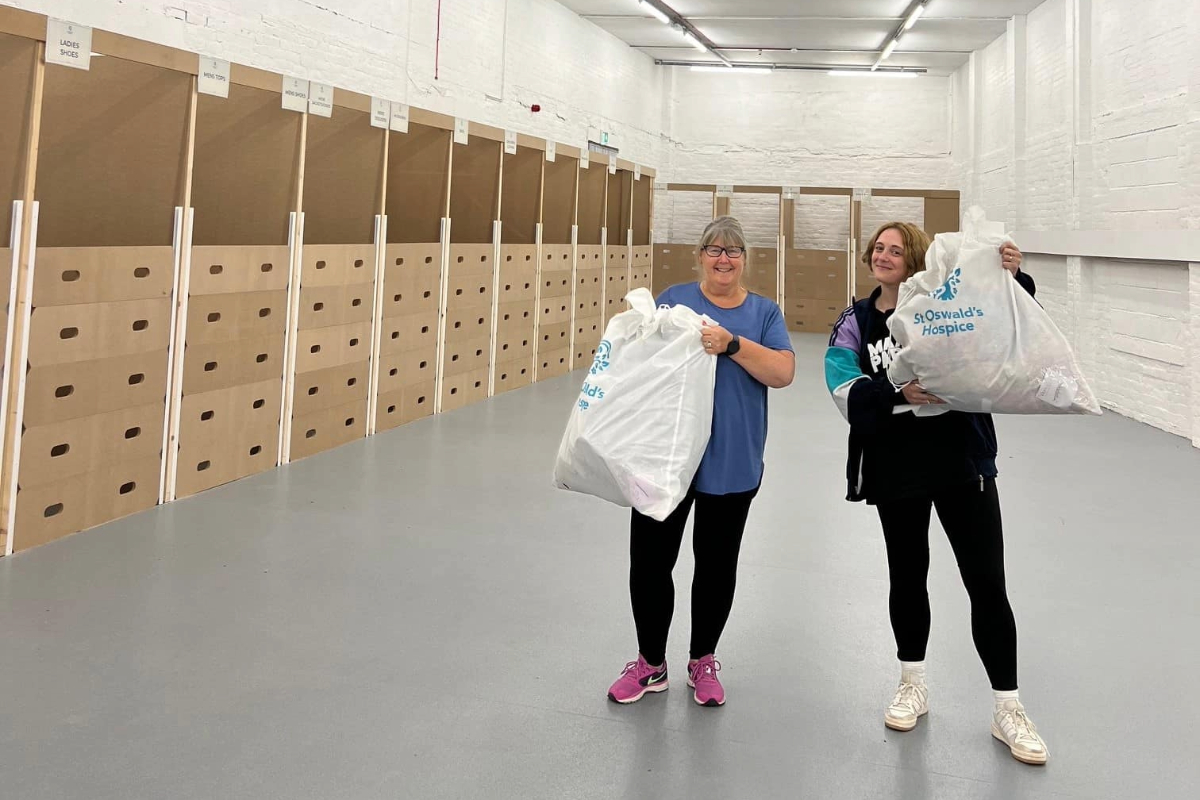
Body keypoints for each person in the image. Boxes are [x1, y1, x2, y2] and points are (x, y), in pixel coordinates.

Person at [823, 221, 1050, 765]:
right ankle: (912, 681)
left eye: (896, 250)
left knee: (987, 583)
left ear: (916, 259)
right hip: (895, 466)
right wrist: (899, 393)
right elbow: (842, 389)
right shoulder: (854, 321)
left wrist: (1015, 279)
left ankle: (1008, 707)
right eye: (878, 248)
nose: (883, 256)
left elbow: (1007, 330)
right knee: (908, 573)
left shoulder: (951, 305)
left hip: (961, 460)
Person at [607, 216, 795, 707]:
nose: (724, 259)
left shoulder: (763, 313)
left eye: (733, 250)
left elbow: (782, 371)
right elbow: (637, 362)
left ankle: (702, 660)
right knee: (649, 563)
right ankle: (650, 664)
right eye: (714, 249)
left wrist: (730, 344)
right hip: (663, 461)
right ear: (700, 256)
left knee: (715, 567)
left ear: (745, 259)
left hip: (731, 462)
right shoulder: (675, 300)